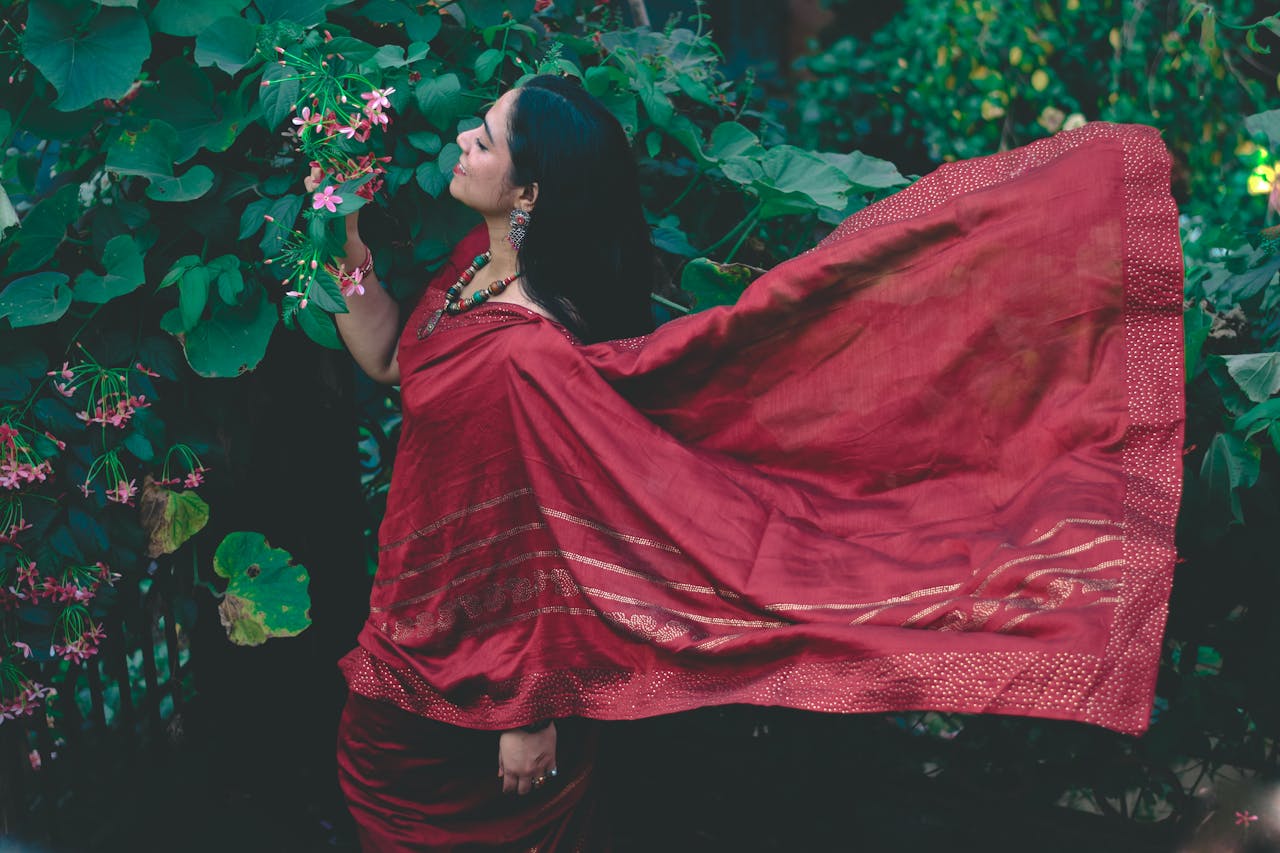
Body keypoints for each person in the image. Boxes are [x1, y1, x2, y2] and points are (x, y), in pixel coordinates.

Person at [323, 75, 1184, 850]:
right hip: (406, 642)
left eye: (484, 139)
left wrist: (529, 712)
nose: (462, 140)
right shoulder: (474, 270)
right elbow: (394, 356)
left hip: (482, 696)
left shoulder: (528, 360)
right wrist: (342, 235)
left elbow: (543, 539)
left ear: (528, 193)